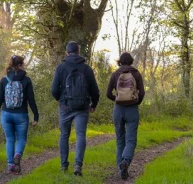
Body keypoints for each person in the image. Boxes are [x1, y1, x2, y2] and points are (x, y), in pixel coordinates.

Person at [51, 41, 100, 176]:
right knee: (80, 136)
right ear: (79, 52)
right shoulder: (86, 69)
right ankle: (78, 165)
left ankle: (63, 165)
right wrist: (93, 105)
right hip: (82, 107)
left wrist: (61, 101)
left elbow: (54, 89)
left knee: (64, 135)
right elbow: (95, 91)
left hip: (65, 106)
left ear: (67, 52)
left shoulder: (61, 68)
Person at [0, 55, 39, 174]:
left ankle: (10, 166)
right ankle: (17, 156)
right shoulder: (26, 80)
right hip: (21, 114)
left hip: (6, 114)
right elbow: (31, 99)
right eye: (23, 64)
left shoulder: (4, 80)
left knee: (9, 139)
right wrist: (36, 115)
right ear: (19, 65)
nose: (24, 66)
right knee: (21, 138)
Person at [106, 52, 145, 180]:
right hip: (132, 109)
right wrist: (135, 102)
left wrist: (117, 99)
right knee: (131, 140)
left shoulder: (115, 74)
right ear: (131, 61)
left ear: (120, 62)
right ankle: (126, 162)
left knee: (120, 140)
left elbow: (108, 93)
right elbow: (142, 93)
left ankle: (120, 168)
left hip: (118, 110)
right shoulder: (136, 73)